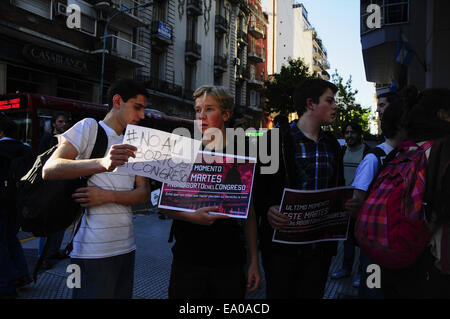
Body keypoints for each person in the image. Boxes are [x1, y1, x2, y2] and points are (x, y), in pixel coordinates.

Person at [42, 79, 150, 299]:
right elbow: (50, 168)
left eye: (144, 109)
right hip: (89, 251)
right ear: (117, 101)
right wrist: (102, 163)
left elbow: (144, 194)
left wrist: (107, 196)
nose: (142, 115)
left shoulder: (138, 143)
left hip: (126, 247)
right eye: (137, 107)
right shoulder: (89, 127)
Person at [162, 85, 261, 299]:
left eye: (209, 109)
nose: (201, 116)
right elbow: (165, 204)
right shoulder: (184, 149)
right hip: (188, 260)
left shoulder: (243, 153)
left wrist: (254, 260)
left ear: (226, 114)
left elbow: (249, 211)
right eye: (198, 110)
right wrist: (192, 217)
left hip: (229, 261)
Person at [254, 78, 344, 298]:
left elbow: (337, 187)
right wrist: (268, 209)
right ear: (310, 104)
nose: (335, 106)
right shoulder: (273, 141)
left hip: (319, 249)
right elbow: (257, 189)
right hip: (281, 251)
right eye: (329, 101)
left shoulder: (332, 144)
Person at [377, 88, 450, 298]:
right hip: (432, 264)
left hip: (401, 256)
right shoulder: (442, 151)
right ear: (443, 114)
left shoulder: (405, 150)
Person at [345, 96, 407, 299]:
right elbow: (357, 201)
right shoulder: (373, 158)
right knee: (373, 290)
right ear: (399, 125)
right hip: (373, 247)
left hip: (394, 246)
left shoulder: (405, 155)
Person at [330, 122, 369, 287]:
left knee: (362, 241)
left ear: (359, 134)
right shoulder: (342, 151)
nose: (349, 136)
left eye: (352, 132)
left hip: (360, 204)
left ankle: (362, 273)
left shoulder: (368, 153)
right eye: (346, 132)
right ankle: (346, 268)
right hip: (345, 203)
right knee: (347, 239)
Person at [0, 114, 34, 298]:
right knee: (12, 238)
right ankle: (22, 274)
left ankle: (6, 284)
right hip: (19, 202)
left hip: (1, 202)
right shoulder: (26, 150)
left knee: (1, 243)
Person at [37, 112, 69, 269]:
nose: (64, 124)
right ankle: (43, 257)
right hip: (50, 188)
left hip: (63, 187)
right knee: (49, 225)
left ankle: (53, 251)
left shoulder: (67, 140)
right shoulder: (47, 140)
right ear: (54, 123)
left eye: (65, 122)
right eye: (60, 122)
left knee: (60, 223)